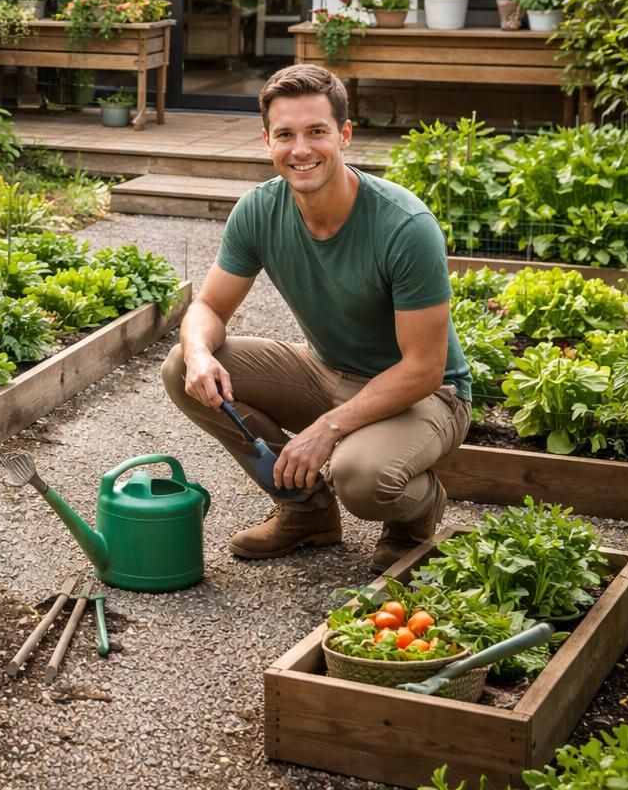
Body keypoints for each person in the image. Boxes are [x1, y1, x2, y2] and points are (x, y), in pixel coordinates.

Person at [161, 63, 471, 569]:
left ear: (344, 134)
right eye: (285, 134)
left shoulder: (404, 226)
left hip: (426, 396)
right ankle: (307, 511)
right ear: (267, 140)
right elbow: (210, 307)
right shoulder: (260, 210)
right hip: (327, 370)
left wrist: (325, 430)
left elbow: (423, 368)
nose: (300, 149)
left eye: (316, 132)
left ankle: (416, 513)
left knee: (361, 477)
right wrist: (198, 353)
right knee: (179, 367)